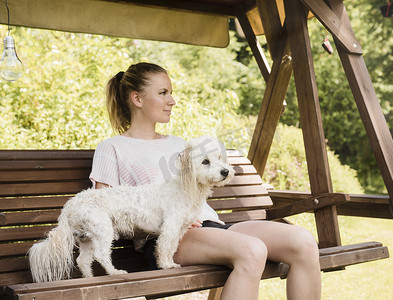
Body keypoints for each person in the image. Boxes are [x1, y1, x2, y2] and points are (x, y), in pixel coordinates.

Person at [89, 62, 321, 299]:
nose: (172, 101)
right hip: (168, 239)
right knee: (252, 250)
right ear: (137, 99)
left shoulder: (179, 144)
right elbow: (104, 215)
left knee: (303, 242)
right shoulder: (112, 149)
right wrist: (166, 220)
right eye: (163, 93)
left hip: (212, 226)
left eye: (171, 92)